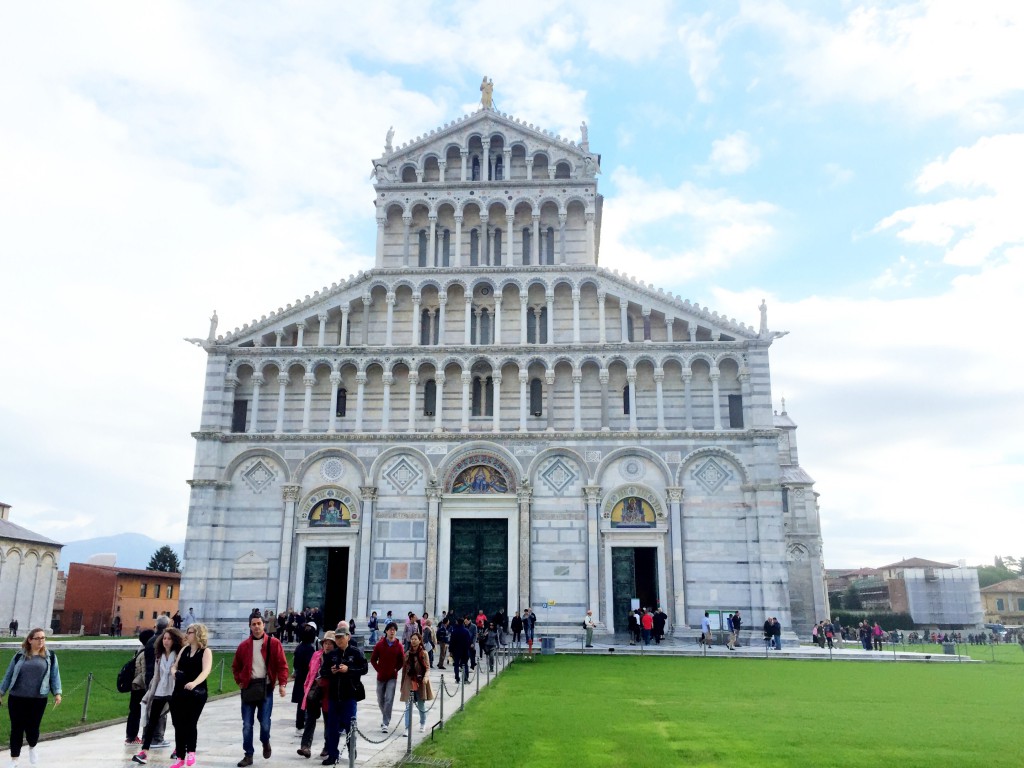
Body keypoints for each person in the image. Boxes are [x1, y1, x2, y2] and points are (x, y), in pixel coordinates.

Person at [231, 614, 289, 767]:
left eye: (259, 624)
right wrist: (239, 681)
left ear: (264, 625)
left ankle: (265, 741)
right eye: (253, 624)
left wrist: (282, 684)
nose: (256, 627)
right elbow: (235, 666)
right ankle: (248, 754)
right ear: (250, 626)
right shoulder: (244, 646)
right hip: (249, 688)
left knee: (264, 723)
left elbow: (282, 665)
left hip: (266, 688)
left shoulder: (274, 643)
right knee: (247, 724)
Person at [0, 628, 62, 767]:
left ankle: (32, 746)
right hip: (17, 697)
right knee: (16, 728)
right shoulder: (19, 656)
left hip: (38, 699)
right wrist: (1, 692)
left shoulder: (50, 656)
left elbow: (54, 676)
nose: (41, 641)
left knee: (32, 728)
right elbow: (8, 675)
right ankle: (14, 759)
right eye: (38, 638)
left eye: (43, 638)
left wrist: (57, 692)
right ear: (30, 640)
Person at [134, 627, 184, 765]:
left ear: (175, 641)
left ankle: (179, 749)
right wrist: (150, 692)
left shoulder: (179, 654)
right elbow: (157, 676)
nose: (166, 641)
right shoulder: (159, 655)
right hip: (160, 691)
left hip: (173, 691)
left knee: (177, 722)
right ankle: (144, 751)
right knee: (152, 721)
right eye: (164, 638)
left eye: (169, 639)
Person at [322, 626, 368, 766]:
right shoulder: (332, 654)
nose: (339, 640)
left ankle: (351, 750)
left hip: (349, 695)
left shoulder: (355, 653)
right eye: (337, 637)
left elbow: (364, 669)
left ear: (348, 637)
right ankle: (332, 754)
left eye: (341, 637)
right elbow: (323, 671)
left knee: (350, 725)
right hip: (334, 696)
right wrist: (331, 671)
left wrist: (349, 670)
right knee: (332, 727)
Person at [169, 623, 213, 768]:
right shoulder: (184, 650)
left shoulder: (205, 652)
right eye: (187, 632)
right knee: (178, 724)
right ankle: (180, 756)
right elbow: (174, 665)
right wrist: (174, 672)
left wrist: (194, 683)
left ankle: (191, 752)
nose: (187, 634)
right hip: (179, 690)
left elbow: (206, 671)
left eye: (190, 632)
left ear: (198, 634)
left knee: (190, 722)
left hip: (196, 692)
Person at [297, 631, 333, 759]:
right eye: (325, 643)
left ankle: (328, 746)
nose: (327, 646)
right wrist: (307, 687)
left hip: (328, 692)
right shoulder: (316, 655)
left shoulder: (335, 657)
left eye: (330, 643)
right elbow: (310, 672)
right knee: (310, 718)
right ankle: (305, 746)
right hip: (314, 691)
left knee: (328, 720)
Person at [143, 615, 173, 749]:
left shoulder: (150, 640)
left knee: (150, 708)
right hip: (158, 679)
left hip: (149, 677)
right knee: (160, 710)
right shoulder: (162, 641)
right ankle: (157, 738)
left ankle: (146, 736)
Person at [369, 621, 403, 734]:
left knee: (389, 699)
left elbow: (401, 661)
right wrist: (379, 669)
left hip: (392, 677)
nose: (392, 631)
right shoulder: (380, 645)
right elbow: (373, 659)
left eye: (394, 629)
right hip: (381, 676)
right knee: (380, 699)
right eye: (390, 629)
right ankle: (385, 715)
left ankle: (385, 722)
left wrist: (396, 669)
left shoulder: (399, 646)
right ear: (386, 631)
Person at [399, 632, 434, 736]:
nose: (413, 641)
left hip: (420, 681)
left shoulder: (424, 653)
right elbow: (404, 671)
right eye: (412, 639)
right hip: (409, 681)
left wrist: (426, 677)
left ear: (419, 641)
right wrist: (402, 685)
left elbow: (427, 668)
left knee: (421, 705)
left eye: (415, 639)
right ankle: (407, 727)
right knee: (408, 706)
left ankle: (423, 723)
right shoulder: (407, 654)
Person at [125, 629, 154, 745]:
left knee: (134, 712)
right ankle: (133, 737)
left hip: (135, 685)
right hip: (140, 686)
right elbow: (144, 672)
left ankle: (131, 736)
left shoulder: (139, 650)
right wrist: (149, 687)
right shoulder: (145, 653)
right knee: (138, 712)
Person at [292, 624, 318, 731]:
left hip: (299, 675)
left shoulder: (299, 647)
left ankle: (299, 722)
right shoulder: (310, 649)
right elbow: (311, 664)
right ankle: (304, 721)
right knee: (306, 699)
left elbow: (295, 663)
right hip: (306, 677)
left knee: (300, 701)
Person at [448, 617, 472, 683]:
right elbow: (469, 641)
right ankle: (466, 678)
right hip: (464, 650)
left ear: (457, 622)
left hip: (456, 650)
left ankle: (457, 678)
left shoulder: (454, 631)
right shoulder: (466, 631)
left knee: (456, 665)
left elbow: (451, 642)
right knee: (465, 664)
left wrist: (450, 651)